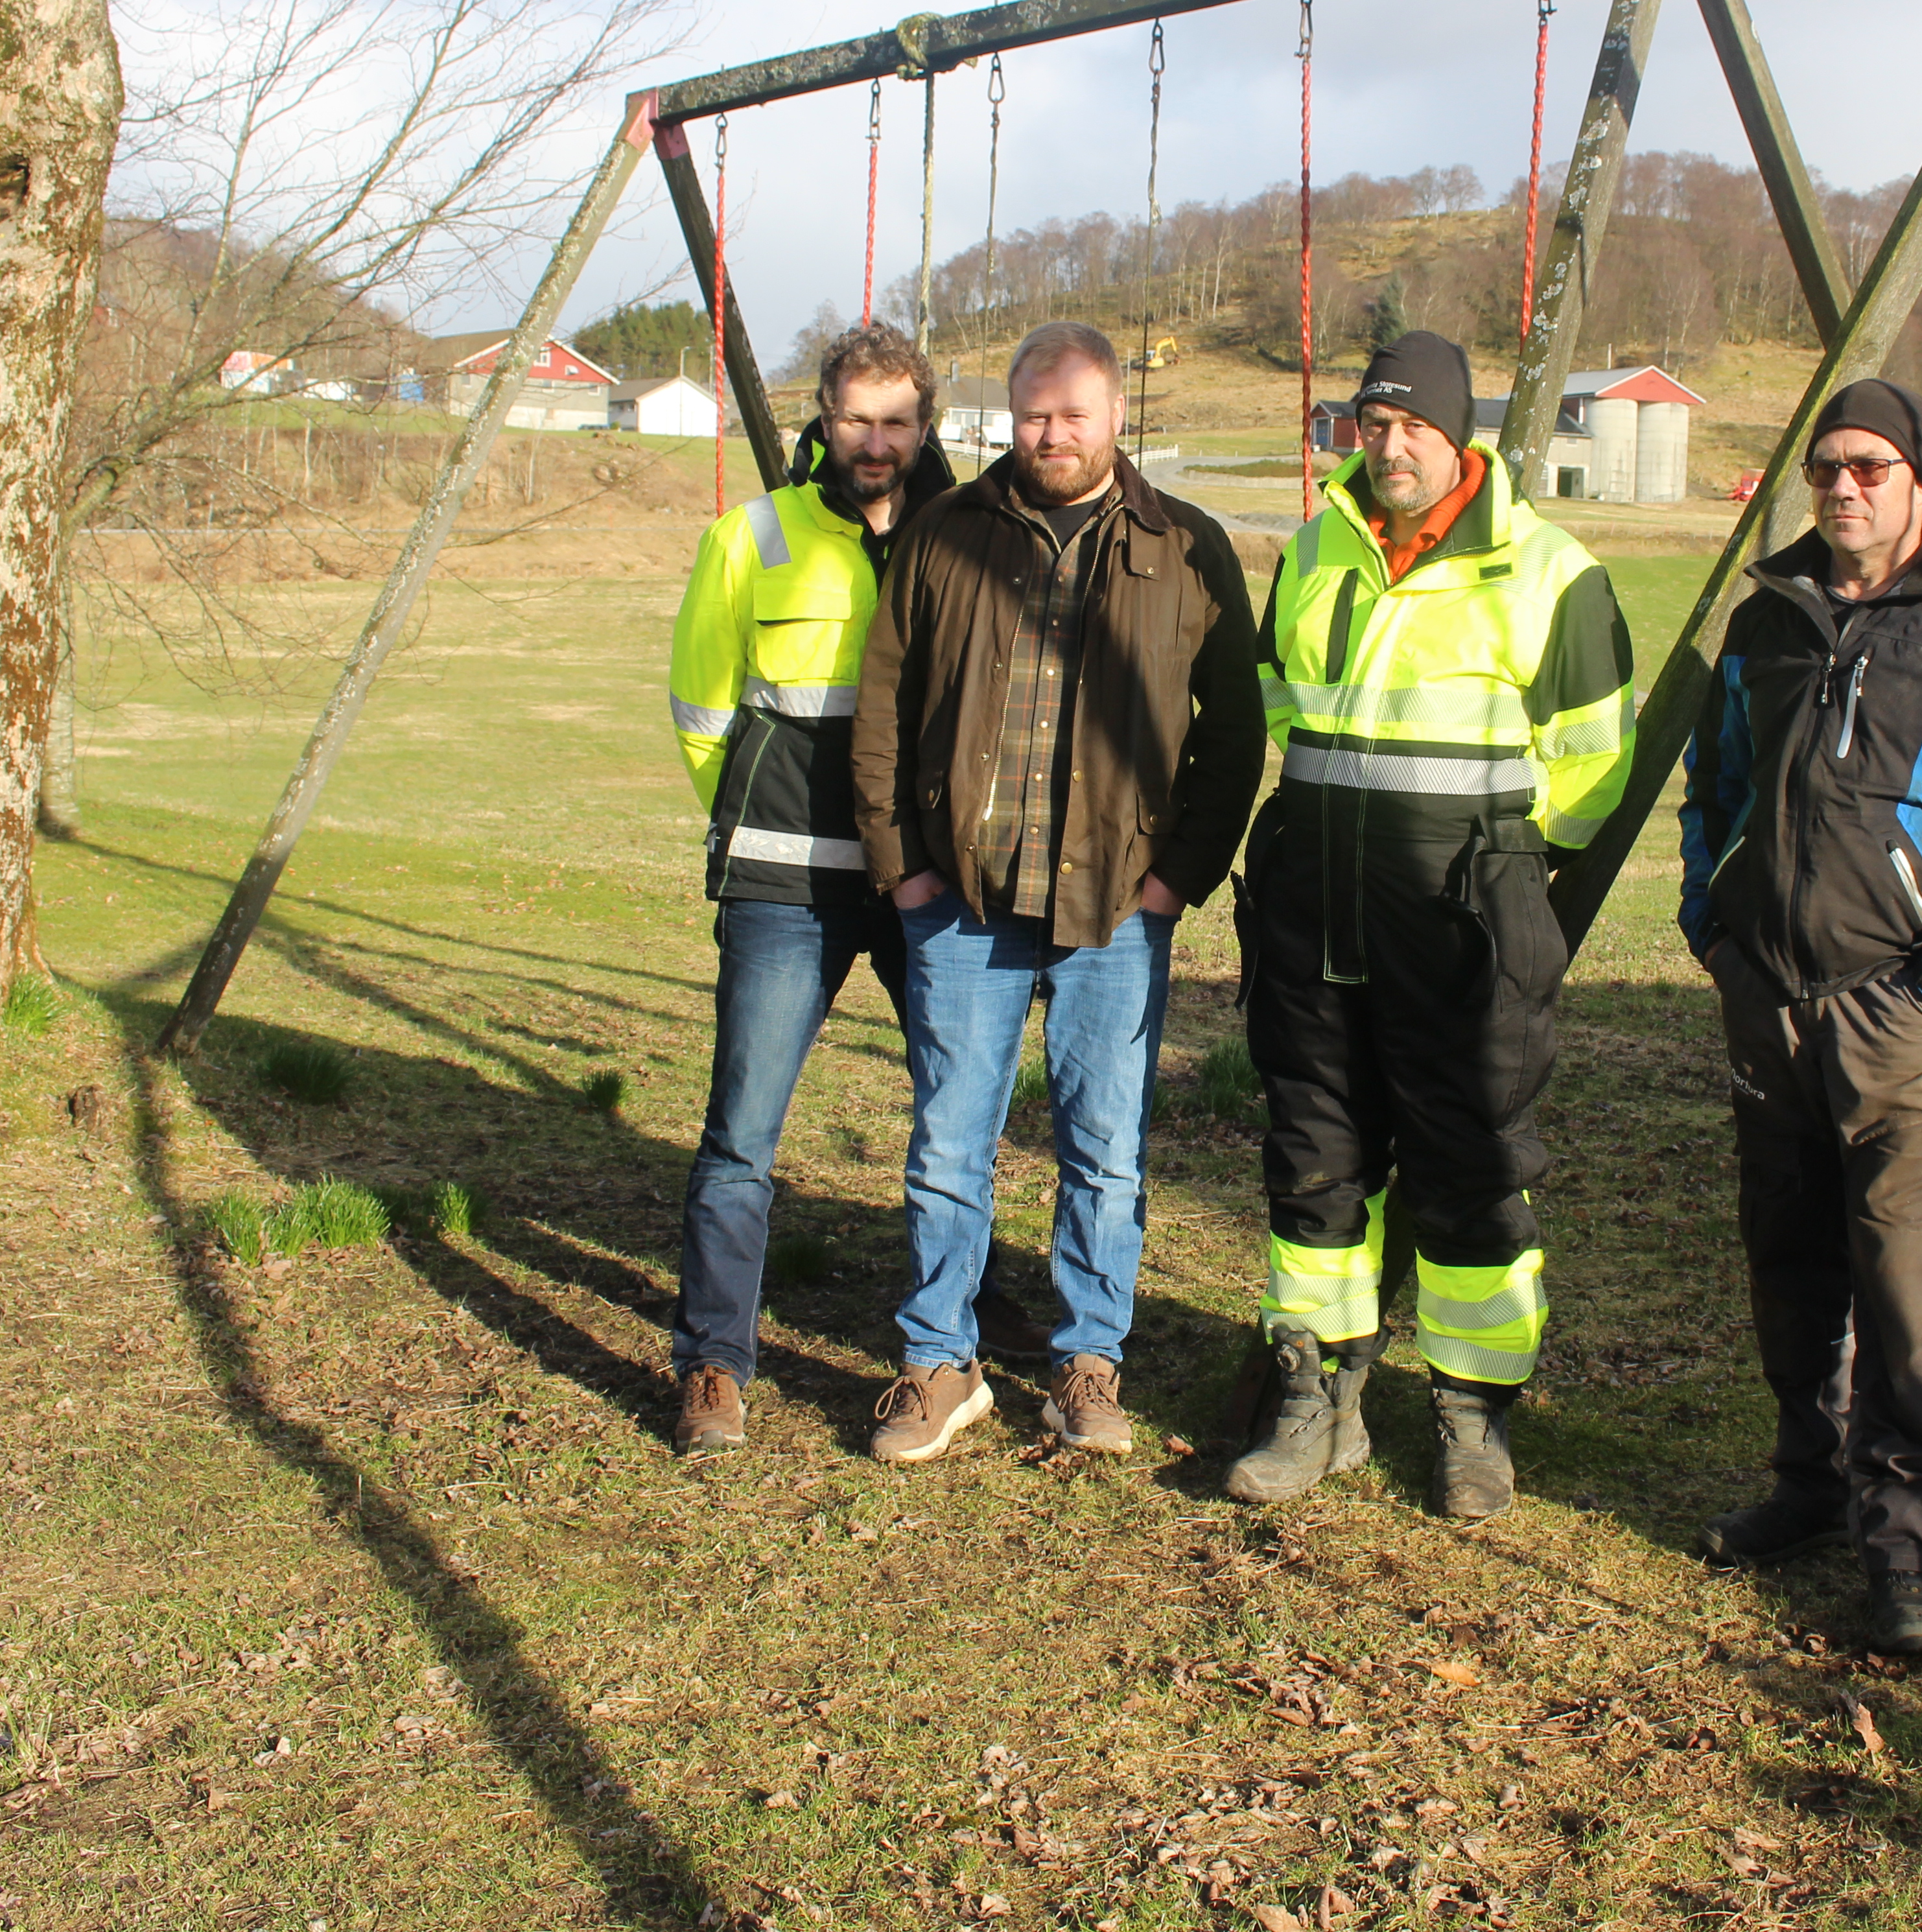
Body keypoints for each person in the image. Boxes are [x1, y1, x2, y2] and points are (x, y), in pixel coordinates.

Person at [1675, 377, 1922, 1655]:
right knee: (1787, 1267)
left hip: (1900, 1017)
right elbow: (1713, 787)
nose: (1843, 487)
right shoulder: (1765, 621)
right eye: (1826, 469)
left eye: (1870, 467)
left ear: (1920, 482)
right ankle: (1807, 1487)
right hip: (1767, 1006)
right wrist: (1714, 929)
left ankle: (1906, 1549)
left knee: (1903, 1284)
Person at [1223, 331, 1635, 1520]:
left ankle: (1471, 1415)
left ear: (1461, 437)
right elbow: (1279, 708)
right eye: (1373, 424)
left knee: (1472, 1168)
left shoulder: (1550, 574)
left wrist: (1492, 877)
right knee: (1314, 1162)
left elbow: (1591, 770)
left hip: (1464, 934)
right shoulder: (1314, 551)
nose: (1391, 445)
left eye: (1414, 426)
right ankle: (1321, 1398)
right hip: (1315, 921)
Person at [849, 320, 1263, 1463]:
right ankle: (940, 1360)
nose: (1052, 435)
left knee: (1107, 1147)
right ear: (1012, 415)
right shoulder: (947, 534)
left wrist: (1178, 878)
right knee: (947, 1141)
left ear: (1116, 417)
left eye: (1074, 415)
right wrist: (907, 868)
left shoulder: (1188, 546)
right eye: (1034, 414)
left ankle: (1089, 1362)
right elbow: (882, 710)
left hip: (1116, 912)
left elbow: (1234, 734)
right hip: (964, 904)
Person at [662, 322, 1048, 1454]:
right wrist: (761, 820)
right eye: (853, 420)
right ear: (819, 421)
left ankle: (962, 1320)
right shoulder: (753, 537)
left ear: (926, 425)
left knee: (959, 1117)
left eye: (896, 421)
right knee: (742, 1132)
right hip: (788, 885)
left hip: (928, 882)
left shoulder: (972, 535)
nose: (874, 442)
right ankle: (712, 1364)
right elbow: (702, 716)